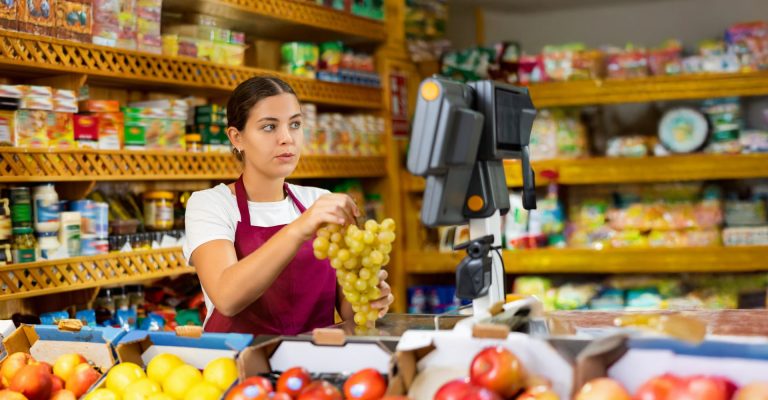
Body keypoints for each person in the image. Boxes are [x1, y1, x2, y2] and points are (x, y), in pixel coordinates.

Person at [183, 77, 394, 334]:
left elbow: (351, 314)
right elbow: (226, 298)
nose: (287, 138)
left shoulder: (318, 201)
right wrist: (300, 228)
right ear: (237, 138)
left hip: (312, 364)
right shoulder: (210, 204)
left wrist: (369, 299)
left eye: (295, 124)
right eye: (269, 127)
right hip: (236, 366)